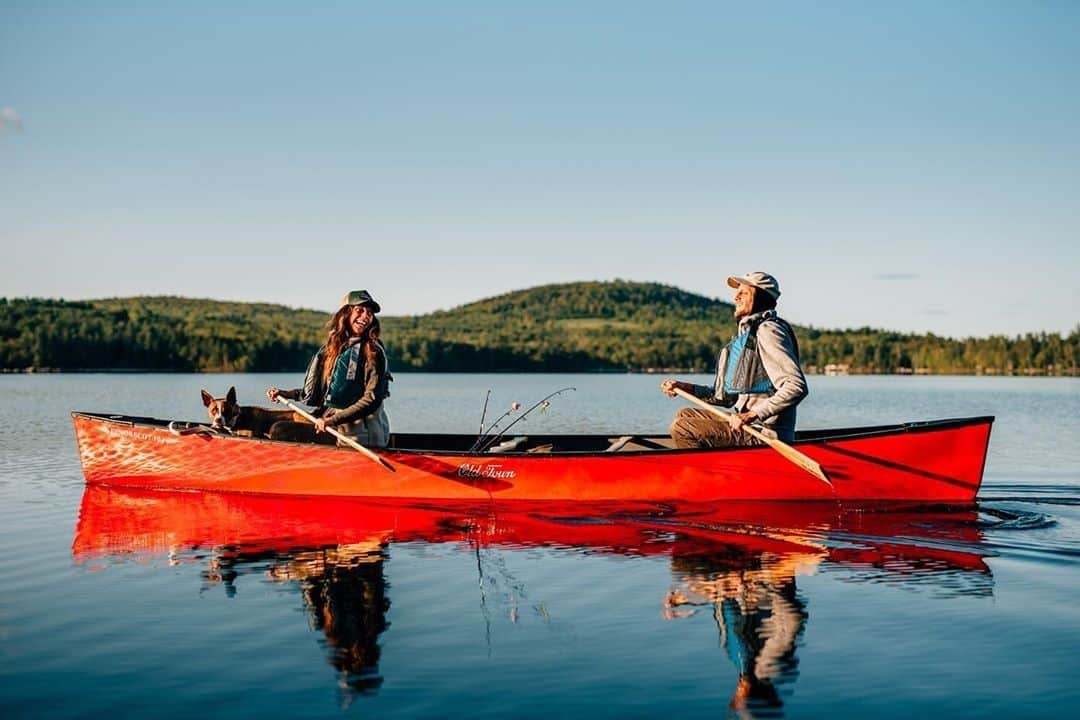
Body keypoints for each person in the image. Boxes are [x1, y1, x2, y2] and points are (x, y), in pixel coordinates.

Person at [661, 272, 807, 448]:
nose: (735, 297)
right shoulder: (747, 337)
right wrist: (687, 388)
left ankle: (708, 473)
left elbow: (796, 386)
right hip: (746, 426)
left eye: (744, 292)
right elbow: (725, 398)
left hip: (765, 433)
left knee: (683, 427)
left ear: (760, 298)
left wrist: (752, 415)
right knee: (684, 415)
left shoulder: (768, 331)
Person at [267, 290, 391, 447]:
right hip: (337, 428)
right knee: (279, 426)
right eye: (359, 310)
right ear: (345, 314)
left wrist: (331, 420)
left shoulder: (373, 351)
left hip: (361, 436)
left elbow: (371, 399)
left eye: (369, 312)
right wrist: (285, 394)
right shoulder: (336, 350)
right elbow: (323, 394)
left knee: (281, 430)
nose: (366, 317)